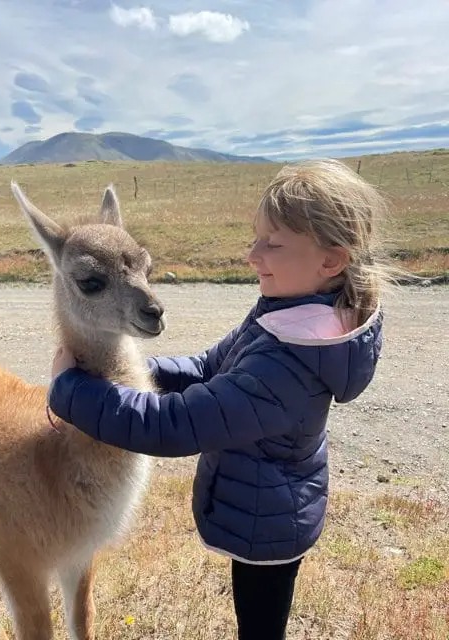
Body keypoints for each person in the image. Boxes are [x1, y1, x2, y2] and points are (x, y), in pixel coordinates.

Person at [48, 158, 387, 640]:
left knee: (261, 623)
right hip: (266, 502)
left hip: (267, 524)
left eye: (272, 244)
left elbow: (174, 425)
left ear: (330, 261)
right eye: (255, 238)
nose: (252, 255)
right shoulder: (291, 312)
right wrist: (122, 370)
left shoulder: (289, 362)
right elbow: (211, 368)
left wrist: (72, 390)